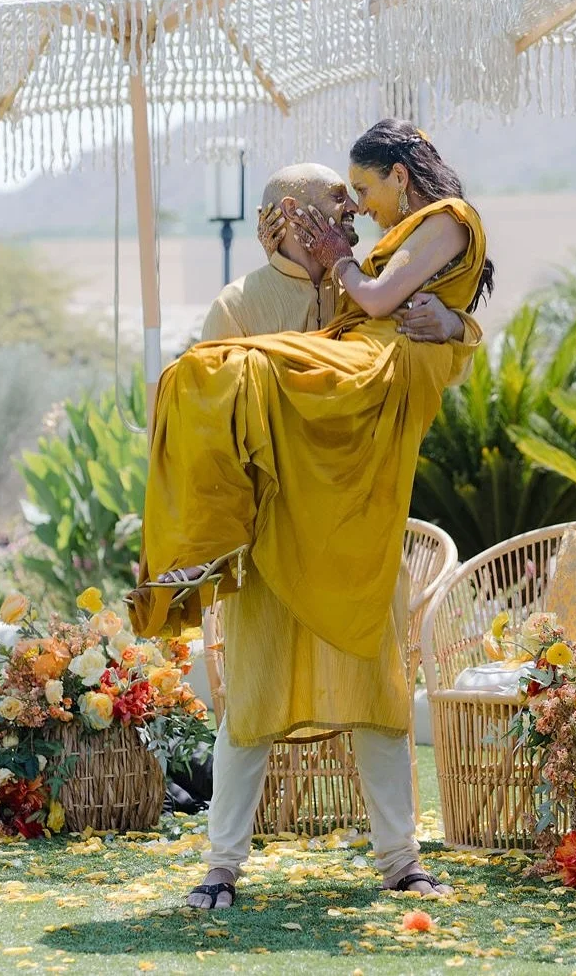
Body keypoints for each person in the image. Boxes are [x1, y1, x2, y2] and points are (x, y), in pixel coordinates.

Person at [127, 118, 493, 905]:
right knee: (250, 704)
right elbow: (207, 430)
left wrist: (459, 323)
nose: (350, 217)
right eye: (335, 204)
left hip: (357, 528)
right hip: (271, 543)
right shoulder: (239, 304)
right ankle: (221, 865)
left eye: (353, 199)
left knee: (379, 696)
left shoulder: (365, 285)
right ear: (286, 220)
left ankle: (402, 860)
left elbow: (436, 359)